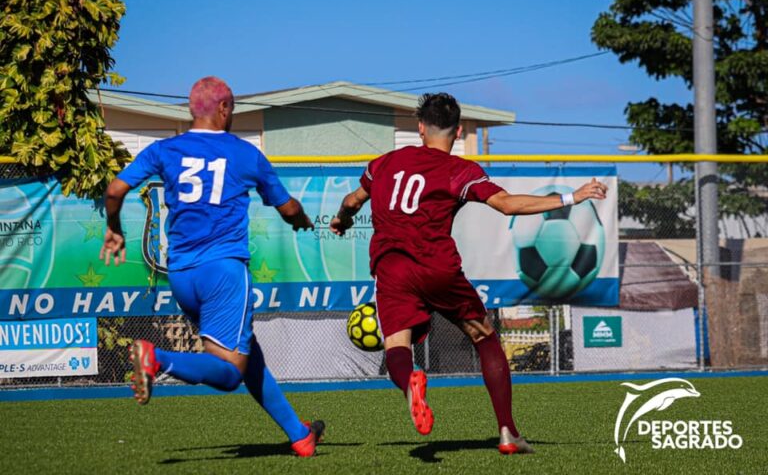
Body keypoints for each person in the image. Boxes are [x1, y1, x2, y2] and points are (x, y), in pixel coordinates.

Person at [330, 92, 608, 455]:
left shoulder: (384, 163)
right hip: (436, 266)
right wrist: (572, 197)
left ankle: (410, 382)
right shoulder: (459, 170)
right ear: (458, 131)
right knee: (485, 337)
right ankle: (508, 433)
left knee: (396, 345)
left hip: (391, 266)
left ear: (420, 128)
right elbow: (507, 205)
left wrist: (341, 218)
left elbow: (352, 200)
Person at [100, 76, 324, 457]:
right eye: (232, 108)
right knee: (229, 372)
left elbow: (114, 190)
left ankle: (299, 435)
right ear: (223, 109)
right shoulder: (244, 153)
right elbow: (288, 207)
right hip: (223, 272)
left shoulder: (164, 149)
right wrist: (301, 220)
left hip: (182, 277)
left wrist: (114, 229)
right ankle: (157, 359)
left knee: (246, 351)